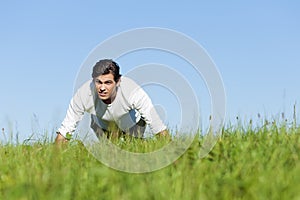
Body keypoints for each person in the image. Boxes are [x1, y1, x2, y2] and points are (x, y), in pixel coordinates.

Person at [55, 59, 169, 143]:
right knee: (110, 154)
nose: (102, 88)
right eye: (98, 82)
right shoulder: (84, 94)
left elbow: (158, 126)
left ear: (118, 81)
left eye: (108, 83)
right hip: (103, 125)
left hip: (131, 124)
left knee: (134, 148)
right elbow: (66, 130)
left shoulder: (133, 91)